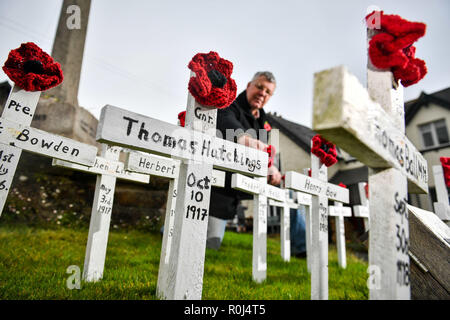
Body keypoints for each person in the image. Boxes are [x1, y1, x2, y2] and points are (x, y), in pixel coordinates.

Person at [206, 71, 282, 250]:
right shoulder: (229, 103)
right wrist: (244, 139)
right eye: (260, 87)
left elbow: (265, 152)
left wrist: (271, 168)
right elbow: (226, 121)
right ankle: (166, 229)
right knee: (209, 243)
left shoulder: (264, 122)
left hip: (245, 182)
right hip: (219, 189)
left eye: (268, 92)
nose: (263, 93)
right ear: (249, 85)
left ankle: (301, 247)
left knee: (288, 192)